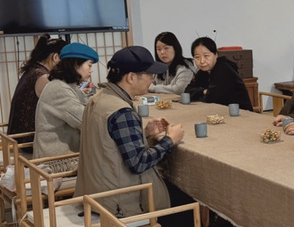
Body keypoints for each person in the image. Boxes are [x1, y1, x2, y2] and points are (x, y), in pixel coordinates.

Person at [75, 45, 184, 217]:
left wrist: (144, 134)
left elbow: (109, 144)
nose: (152, 80)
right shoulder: (121, 111)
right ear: (131, 77)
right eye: (150, 75)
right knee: (184, 197)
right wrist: (170, 140)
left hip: (94, 193)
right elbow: (139, 163)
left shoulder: (98, 98)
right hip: (117, 202)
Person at [33, 43, 99, 160]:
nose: (91, 70)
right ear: (76, 64)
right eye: (89, 65)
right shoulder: (60, 89)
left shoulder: (66, 84)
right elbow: (85, 119)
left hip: (64, 153)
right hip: (56, 160)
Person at [7, 34, 67, 141]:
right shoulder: (43, 77)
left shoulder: (33, 70)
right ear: (55, 57)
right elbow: (62, 106)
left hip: (17, 137)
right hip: (28, 140)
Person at [185, 37, 253, 109]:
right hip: (217, 111)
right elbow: (187, 93)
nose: (202, 61)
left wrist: (200, 93)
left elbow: (210, 98)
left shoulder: (224, 69)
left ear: (216, 55)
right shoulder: (203, 71)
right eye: (197, 57)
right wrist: (203, 91)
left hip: (240, 113)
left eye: (206, 56)